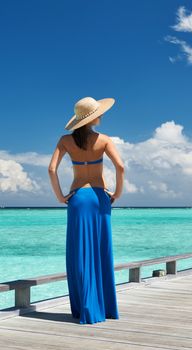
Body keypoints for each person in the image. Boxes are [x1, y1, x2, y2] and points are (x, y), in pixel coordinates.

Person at [48, 96, 124, 324]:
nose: (101, 115)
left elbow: (52, 170)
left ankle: (86, 307)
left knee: (80, 252)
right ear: (92, 118)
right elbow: (120, 167)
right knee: (101, 252)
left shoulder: (65, 141)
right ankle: (106, 308)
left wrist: (60, 196)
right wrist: (117, 194)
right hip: (100, 197)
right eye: (99, 113)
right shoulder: (104, 140)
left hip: (78, 198)